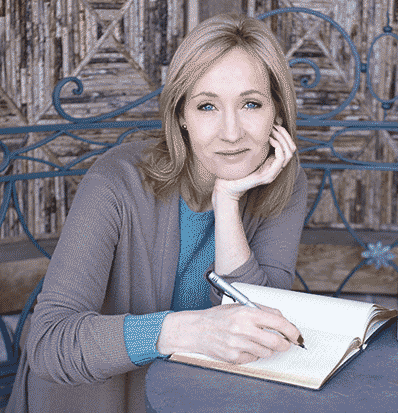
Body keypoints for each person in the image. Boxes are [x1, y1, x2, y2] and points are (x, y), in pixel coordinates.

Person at [6, 13, 308, 413]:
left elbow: (258, 326)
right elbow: (50, 342)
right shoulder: (116, 181)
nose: (232, 132)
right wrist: (185, 331)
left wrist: (227, 201)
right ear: (181, 115)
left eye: (251, 104)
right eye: (207, 106)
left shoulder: (284, 180)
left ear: (277, 113)